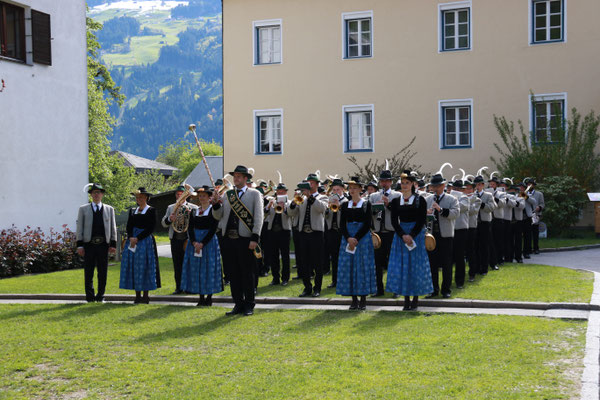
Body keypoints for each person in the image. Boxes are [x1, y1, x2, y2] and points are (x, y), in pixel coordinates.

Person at [212, 165, 263, 316]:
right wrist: (215, 204)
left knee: (247, 273)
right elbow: (218, 216)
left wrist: (255, 237)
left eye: (239, 176)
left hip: (245, 239)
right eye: (235, 176)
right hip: (229, 239)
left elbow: (259, 218)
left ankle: (249, 305)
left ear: (246, 179)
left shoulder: (254, 194)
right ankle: (238, 304)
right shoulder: (228, 195)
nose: (236, 179)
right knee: (233, 273)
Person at [386, 172, 432, 310]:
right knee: (403, 266)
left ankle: (415, 299)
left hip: (415, 235)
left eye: (407, 183)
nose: (404, 185)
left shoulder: (420, 200)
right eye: (402, 182)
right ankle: (406, 299)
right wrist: (403, 235)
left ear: (413, 184)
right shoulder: (395, 201)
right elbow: (394, 221)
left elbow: (421, 220)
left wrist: (411, 235)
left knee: (415, 266)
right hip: (401, 236)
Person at [336, 177, 376, 310]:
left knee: (362, 266)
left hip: (362, 238)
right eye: (350, 188)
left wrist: (356, 238)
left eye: (355, 188)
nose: (352, 190)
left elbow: (368, 224)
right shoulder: (345, 205)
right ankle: (353, 299)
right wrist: (348, 237)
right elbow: (341, 224)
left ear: (360, 189)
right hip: (348, 237)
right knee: (349, 266)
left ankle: (363, 298)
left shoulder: (366, 204)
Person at [287, 174, 329, 297]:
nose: (309, 185)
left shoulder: (323, 197)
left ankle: (317, 288)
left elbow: (322, 209)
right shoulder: (302, 199)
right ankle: (307, 287)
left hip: (316, 234)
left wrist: (310, 197)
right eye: (308, 183)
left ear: (317, 184)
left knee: (317, 262)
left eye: (311, 183)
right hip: (303, 234)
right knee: (303, 262)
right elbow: (291, 213)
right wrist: (294, 203)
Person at [181, 186, 222, 306]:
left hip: (208, 243)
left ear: (209, 197)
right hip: (195, 242)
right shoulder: (194, 211)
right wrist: (194, 242)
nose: (202, 198)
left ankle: (209, 297)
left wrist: (202, 243)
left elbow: (213, 229)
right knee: (197, 269)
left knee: (208, 268)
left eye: (204, 196)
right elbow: (190, 228)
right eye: (200, 196)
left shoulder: (213, 211)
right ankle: (201, 297)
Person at [76, 183, 117, 303]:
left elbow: (113, 227)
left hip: (103, 245)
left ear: (102, 194)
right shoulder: (83, 209)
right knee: (88, 272)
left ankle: (100, 296)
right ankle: (89, 297)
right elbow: (80, 228)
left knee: (102, 272)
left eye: (99, 192)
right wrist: (80, 245)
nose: (96, 195)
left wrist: (113, 244)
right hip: (89, 244)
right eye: (94, 192)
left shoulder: (109, 209)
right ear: (91, 195)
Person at [120, 187, 161, 304]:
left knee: (145, 266)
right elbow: (129, 225)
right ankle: (137, 295)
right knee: (134, 266)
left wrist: (138, 238)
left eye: (141, 197)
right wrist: (131, 237)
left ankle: (146, 296)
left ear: (146, 198)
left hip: (145, 240)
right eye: (137, 197)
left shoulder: (151, 210)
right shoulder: (133, 210)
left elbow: (151, 227)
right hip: (132, 240)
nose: (139, 199)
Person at [425, 174, 459, 298]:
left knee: (446, 264)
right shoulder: (428, 199)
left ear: (443, 186)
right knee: (432, 264)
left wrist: (440, 209)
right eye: (434, 186)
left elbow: (455, 214)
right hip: (431, 236)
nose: (435, 188)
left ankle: (446, 290)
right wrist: (426, 213)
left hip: (446, 236)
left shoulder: (451, 199)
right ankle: (434, 290)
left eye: (438, 186)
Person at [368, 169, 400, 297]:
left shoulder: (397, 195)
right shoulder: (373, 196)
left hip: (391, 232)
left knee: (393, 263)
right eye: (382, 181)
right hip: (378, 233)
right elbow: (368, 213)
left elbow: (400, 212)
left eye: (387, 181)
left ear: (391, 182)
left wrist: (389, 204)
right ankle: (379, 289)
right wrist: (376, 209)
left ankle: (395, 289)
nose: (384, 183)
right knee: (377, 263)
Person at [161, 185, 198, 295]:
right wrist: (169, 219)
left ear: (186, 195)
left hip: (188, 239)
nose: (179, 196)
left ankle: (189, 287)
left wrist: (190, 215)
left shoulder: (193, 207)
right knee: (177, 264)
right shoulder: (170, 207)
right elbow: (163, 223)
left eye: (181, 194)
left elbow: (196, 223)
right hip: (175, 239)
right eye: (177, 194)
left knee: (189, 264)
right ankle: (178, 287)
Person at [265, 182, 292, 286]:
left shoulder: (289, 203)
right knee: (273, 256)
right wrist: (268, 206)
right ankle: (275, 278)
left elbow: (291, 213)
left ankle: (285, 278)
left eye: (282, 192)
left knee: (285, 256)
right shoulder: (272, 202)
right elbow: (265, 214)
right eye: (278, 192)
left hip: (284, 231)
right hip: (272, 231)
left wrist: (284, 207)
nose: (280, 194)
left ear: (285, 193)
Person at [325, 178, 347, 288]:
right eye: (334, 190)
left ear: (342, 190)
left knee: (343, 257)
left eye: (338, 189)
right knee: (333, 258)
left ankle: (344, 280)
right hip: (331, 232)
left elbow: (347, 216)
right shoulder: (330, 200)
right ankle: (334, 280)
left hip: (342, 232)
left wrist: (339, 206)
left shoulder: (346, 201)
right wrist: (328, 207)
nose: (336, 192)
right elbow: (326, 216)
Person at [473, 175, 497, 277]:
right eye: (476, 185)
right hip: (475, 223)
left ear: (482, 185)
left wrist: (482, 204)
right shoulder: (472, 195)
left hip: (485, 223)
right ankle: (477, 267)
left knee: (485, 246)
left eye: (479, 184)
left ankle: (484, 267)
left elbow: (492, 207)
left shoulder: (488, 195)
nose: (477, 187)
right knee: (476, 246)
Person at [448, 180, 469, 289]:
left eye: (458, 189)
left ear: (462, 190)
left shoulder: (465, 198)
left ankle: (460, 280)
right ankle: (449, 281)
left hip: (461, 229)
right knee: (450, 257)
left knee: (460, 256)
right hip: (451, 229)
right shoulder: (449, 198)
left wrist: (454, 199)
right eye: (454, 189)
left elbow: (460, 208)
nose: (456, 191)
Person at [464, 180, 482, 281]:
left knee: (471, 250)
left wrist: (467, 200)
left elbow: (471, 211)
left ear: (473, 190)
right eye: (466, 188)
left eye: (470, 188)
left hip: (471, 227)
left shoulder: (477, 200)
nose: (467, 190)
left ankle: (472, 273)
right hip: (461, 227)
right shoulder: (460, 198)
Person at [488, 175, 507, 269]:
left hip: (498, 219)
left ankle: (500, 258)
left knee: (499, 240)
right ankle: (492, 259)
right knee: (491, 241)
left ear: (496, 185)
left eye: (493, 184)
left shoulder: (501, 193)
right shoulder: (487, 193)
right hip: (489, 219)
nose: (491, 185)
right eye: (490, 184)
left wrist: (493, 198)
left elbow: (502, 203)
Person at [528, 179, 545, 254]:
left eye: (531, 184)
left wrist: (539, 207)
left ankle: (536, 248)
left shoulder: (539, 194)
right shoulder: (524, 193)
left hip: (535, 215)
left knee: (535, 233)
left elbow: (542, 204)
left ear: (534, 185)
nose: (529, 186)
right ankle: (528, 248)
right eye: (528, 184)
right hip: (527, 215)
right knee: (527, 233)